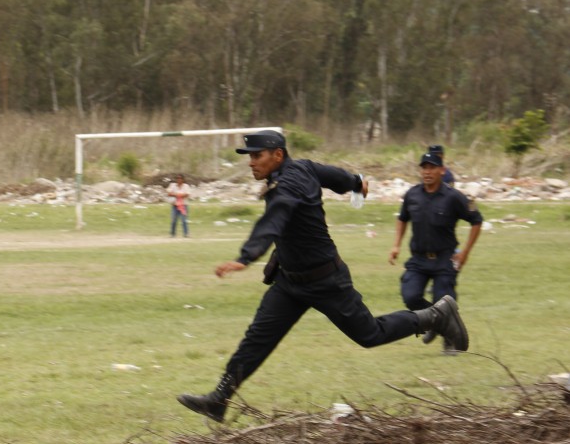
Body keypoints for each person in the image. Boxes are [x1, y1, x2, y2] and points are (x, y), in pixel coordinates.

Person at [176, 130, 469, 422]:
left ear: (277, 155)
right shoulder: (302, 167)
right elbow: (334, 176)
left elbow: (275, 217)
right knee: (257, 339)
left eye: (257, 156)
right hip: (290, 282)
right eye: (250, 157)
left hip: (325, 280)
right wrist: (356, 183)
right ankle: (219, 399)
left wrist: (247, 256)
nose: (251, 162)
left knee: (370, 334)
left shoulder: (289, 183)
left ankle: (435, 315)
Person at [389, 151, 483, 355]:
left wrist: (465, 252)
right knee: (411, 296)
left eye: (432, 167)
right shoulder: (412, 194)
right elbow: (402, 218)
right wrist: (396, 245)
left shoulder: (454, 197)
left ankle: (449, 341)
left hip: (444, 260)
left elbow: (477, 220)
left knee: (444, 299)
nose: (427, 172)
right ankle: (435, 323)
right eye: (424, 167)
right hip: (418, 259)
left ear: (442, 170)